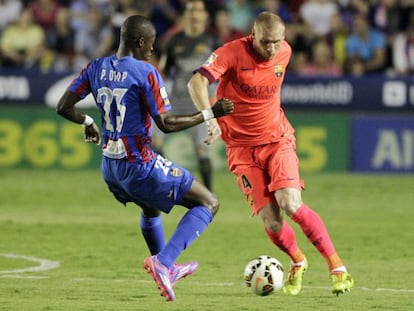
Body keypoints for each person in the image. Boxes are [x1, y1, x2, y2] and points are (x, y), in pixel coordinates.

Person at [56, 14, 233, 302]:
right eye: (151, 44)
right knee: (209, 202)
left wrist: (88, 121)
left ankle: (166, 267)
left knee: (150, 209)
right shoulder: (146, 72)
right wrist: (211, 113)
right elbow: (166, 123)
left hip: (110, 168)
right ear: (140, 42)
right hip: (140, 164)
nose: (152, 50)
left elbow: (64, 106)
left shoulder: (96, 67)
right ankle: (164, 263)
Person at [187, 11, 354, 296]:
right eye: (265, 42)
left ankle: (338, 268)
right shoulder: (231, 52)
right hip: (241, 149)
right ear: (253, 35)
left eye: (277, 42)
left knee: (290, 202)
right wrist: (211, 118)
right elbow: (197, 83)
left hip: (277, 139)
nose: (272, 49)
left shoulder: (284, 52)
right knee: (273, 222)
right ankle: (298, 261)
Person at [152, 0, 221, 190]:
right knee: (154, 142)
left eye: (199, 11)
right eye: (191, 11)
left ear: (205, 16)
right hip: (176, 101)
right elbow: (163, 73)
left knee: (202, 150)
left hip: (201, 103)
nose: (195, 15)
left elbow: (223, 74)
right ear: (185, 16)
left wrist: (215, 99)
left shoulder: (213, 42)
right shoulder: (174, 42)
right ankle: (169, 183)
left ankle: (208, 194)